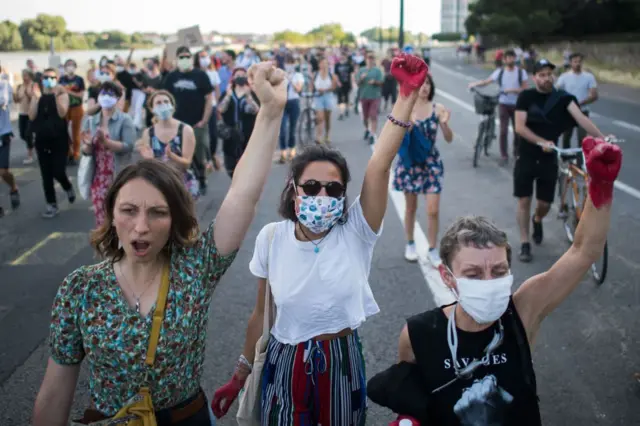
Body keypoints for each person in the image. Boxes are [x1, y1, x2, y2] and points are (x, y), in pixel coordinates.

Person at [32, 62, 289, 426]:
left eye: (157, 212)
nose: (141, 226)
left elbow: (242, 196)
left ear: (176, 219)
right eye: (129, 210)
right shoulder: (80, 289)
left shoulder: (195, 267)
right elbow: (55, 391)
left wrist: (271, 111)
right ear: (110, 215)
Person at [211, 53, 429, 425]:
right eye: (311, 186)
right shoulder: (272, 237)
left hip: (341, 362)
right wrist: (240, 374)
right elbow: (262, 313)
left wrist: (406, 96)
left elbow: (378, 166)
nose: (322, 195)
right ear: (294, 191)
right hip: (285, 362)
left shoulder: (356, 232)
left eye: (333, 188)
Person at [368, 137, 623, 425]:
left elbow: (583, 251)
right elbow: (411, 393)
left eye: (499, 271)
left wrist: (600, 187)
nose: (489, 282)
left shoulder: (523, 312)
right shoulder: (417, 334)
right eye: (474, 274)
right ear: (447, 277)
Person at [513, 59, 609, 262]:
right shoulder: (526, 97)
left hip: (549, 158)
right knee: (524, 200)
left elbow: (582, 118)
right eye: (542, 75)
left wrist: (602, 138)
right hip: (527, 156)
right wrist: (541, 142)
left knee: (545, 204)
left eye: (549, 74)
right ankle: (525, 243)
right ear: (534, 77)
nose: (547, 78)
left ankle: (537, 219)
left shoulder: (563, 98)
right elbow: (520, 127)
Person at [393, 73, 453, 265]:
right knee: (411, 208)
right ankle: (410, 243)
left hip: (431, 164)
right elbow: (396, 138)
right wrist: (406, 126)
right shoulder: (406, 110)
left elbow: (449, 138)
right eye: (421, 84)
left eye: (428, 84)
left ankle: (433, 249)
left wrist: (444, 124)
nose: (425, 87)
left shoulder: (438, 109)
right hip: (410, 165)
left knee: (433, 210)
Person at [81, 81, 136, 227]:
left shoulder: (125, 120)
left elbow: (128, 146)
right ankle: (105, 247)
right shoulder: (91, 121)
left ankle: (122, 247)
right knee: (101, 217)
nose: (105, 97)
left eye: (110, 94)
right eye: (103, 93)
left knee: (120, 216)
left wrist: (107, 143)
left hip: (118, 174)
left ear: (118, 98)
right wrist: (87, 145)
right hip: (98, 176)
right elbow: (85, 152)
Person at [163, 46, 213, 195]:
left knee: (198, 154)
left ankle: (202, 179)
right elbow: (165, 97)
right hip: (176, 124)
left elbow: (209, 98)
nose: (184, 59)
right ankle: (180, 183)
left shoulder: (200, 75)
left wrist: (204, 120)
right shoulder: (171, 77)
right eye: (181, 57)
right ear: (177, 59)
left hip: (197, 123)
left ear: (191, 58)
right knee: (178, 155)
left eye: (187, 56)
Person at [28, 68, 75, 219]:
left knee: (58, 171)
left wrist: (54, 96)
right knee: (46, 175)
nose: (49, 80)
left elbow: (62, 113)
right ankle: (51, 204)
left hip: (59, 139)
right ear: (41, 79)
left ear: (57, 78)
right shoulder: (38, 95)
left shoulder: (62, 94)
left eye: (52, 77)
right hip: (42, 139)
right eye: (46, 77)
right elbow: (31, 115)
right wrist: (35, 98)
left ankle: (67, 186)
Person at [136, 90, 200, 200]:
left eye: (166, 102)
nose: (163, 105)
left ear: (172, 106)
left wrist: (171, 156)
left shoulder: (185, 130)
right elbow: (149, 165)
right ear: (152, 109)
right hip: (159, 183)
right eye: (158, 103)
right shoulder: (149, 133)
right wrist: (149, 159)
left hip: (181, 183)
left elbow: (187, 163)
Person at [469, 49, 528, 164]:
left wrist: (512, 90)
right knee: (503, 130)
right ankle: (504, 154)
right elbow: (487, 81)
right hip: (503, 104)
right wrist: (474, 84)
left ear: (515, 59)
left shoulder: (521, 72)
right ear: (504, 60)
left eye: (512, 57)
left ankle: (516, 152)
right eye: (508, 57)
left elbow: (524, 89)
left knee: (518, 131)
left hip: (517, 104)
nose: (511, 59)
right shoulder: (500, 72)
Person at [556, 53, 599, 150]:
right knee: (566, 137)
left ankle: (580, 161)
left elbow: (594, 95)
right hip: (568, 112)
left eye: (579, 61)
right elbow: (556, 92)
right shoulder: (564, 77)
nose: (578, 64)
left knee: (582, 138)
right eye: (575, 62)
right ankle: (566, 158)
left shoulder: (589, 77)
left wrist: (580, 103)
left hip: (583, 111)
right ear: (571, 63)